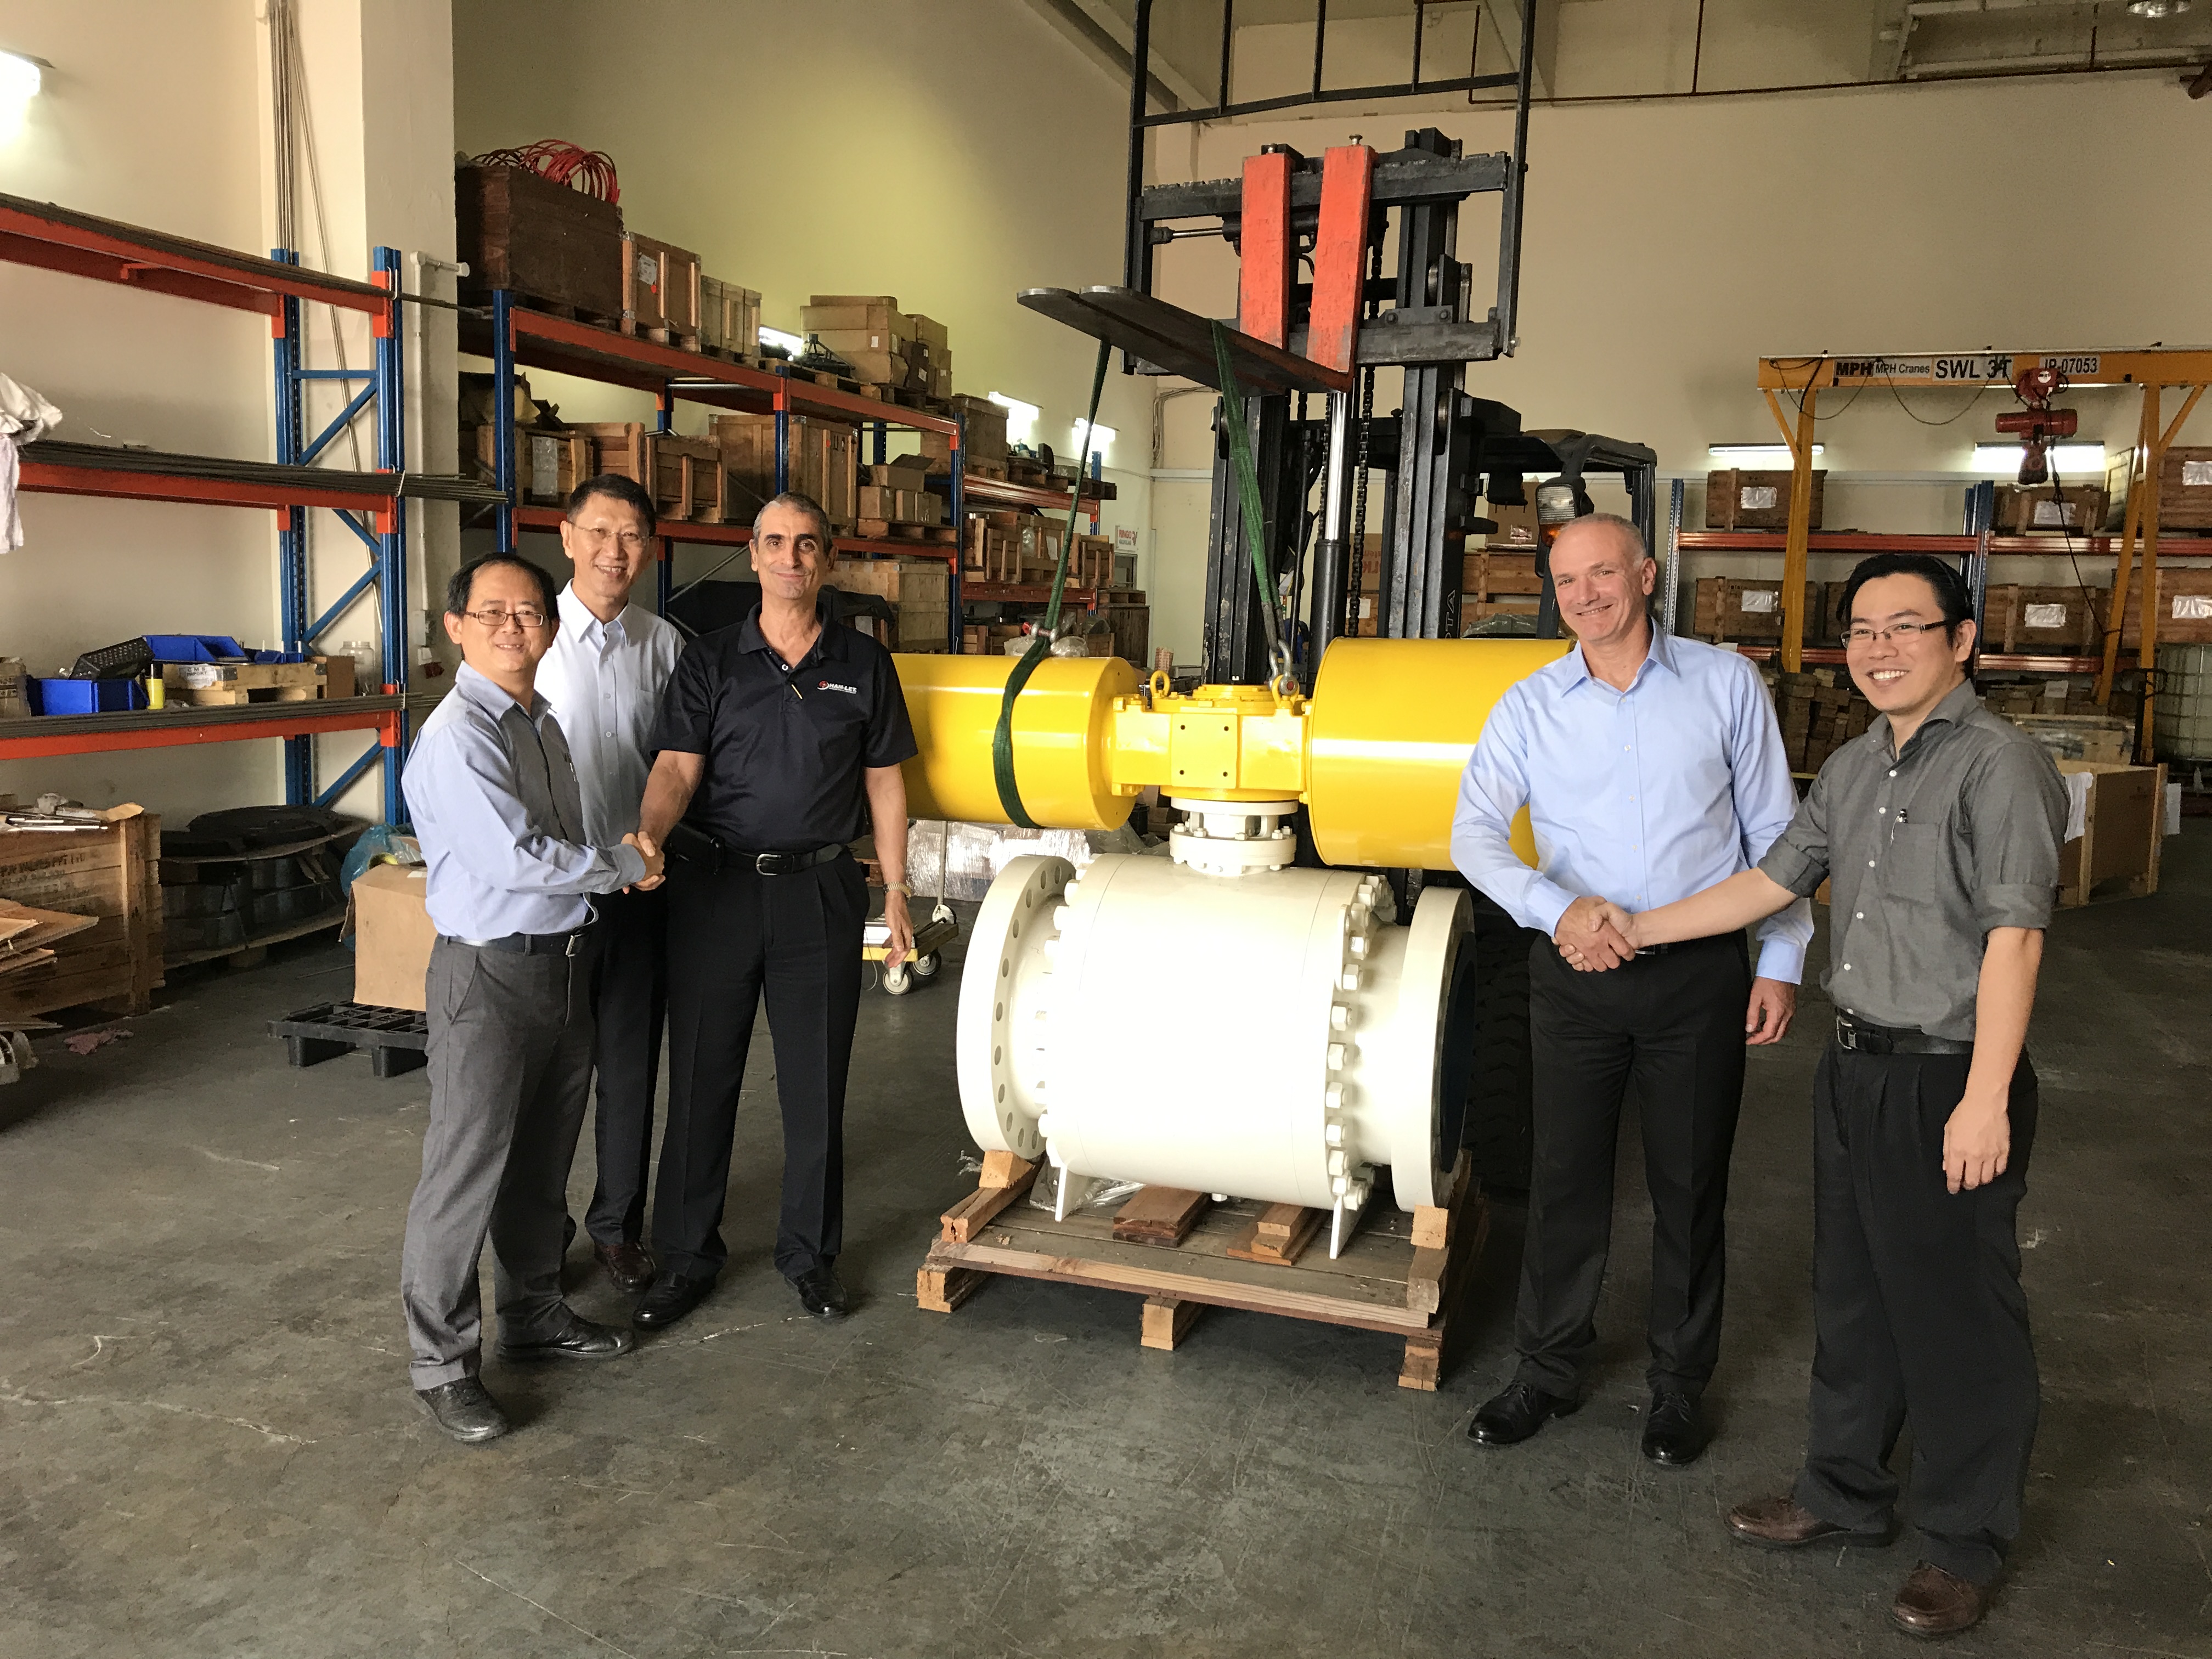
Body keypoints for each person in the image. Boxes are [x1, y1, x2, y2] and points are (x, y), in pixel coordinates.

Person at [1582, 552, 2063, 1640]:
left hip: (1947, 1073)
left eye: (1906, 626)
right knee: (1853, 1295)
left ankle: (1964, 1543)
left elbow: (2017, 939)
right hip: (1853, 1069)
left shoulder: (2000, 765)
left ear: (1962, 641)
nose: (1879, 649)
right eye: (1862, 631)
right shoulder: (1852, 767)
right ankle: (1845, 1492)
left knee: (1956, 1314)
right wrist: (1634, 926)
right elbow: (1770, 882)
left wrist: (1986, 1097)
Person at [1449, 512, 1812, 1465]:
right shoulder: (1529, 705)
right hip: (1576, 973)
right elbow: (1474, 834)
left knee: (1689, 1185)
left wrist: (1780, 959)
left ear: (1646, 575)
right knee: (1565, 1177)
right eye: (1567, 581)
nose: (1585, 596)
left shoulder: (1725, 684)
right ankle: (1547, 1370)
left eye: (1603, 574)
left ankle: (1679, 1386)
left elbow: (1779, 837)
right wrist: (1555, 909)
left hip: (1697, 974)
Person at [629, 491, 918, 1330]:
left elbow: (885, 781)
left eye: (808, 544)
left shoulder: (864, 663)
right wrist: (649, 839)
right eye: (776, 542)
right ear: (753, 555)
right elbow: (676, 768)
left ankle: (810, 1257)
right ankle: (686, 1258)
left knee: (815, 1082)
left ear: (829, 559)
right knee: (701, 1075)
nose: (792, 557)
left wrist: (897, 891)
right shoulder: (710, 659)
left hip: (819, 892)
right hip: (716, 889)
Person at [399, 552, 665, 1444]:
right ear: (457, 627)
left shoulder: (540, 721)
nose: (514, 628)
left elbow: (555, 840)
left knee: (541, 1161)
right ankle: (442, 1366)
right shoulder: (460, 736)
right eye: (493, 613)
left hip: (560, 963)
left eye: (530, 614)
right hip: (488, 976)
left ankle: (535, 1313)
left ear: (550, 627)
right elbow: (514, 859)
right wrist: (623, 864)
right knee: (465, 1170)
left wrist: (611, 868)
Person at [534, 474, 683, 1297]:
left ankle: (617, 1226)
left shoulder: (666, 647)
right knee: (550, 1074)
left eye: (630, 535)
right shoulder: (530, 638)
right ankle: (540, 1233)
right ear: (567, 537)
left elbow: (683, 765)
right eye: (598, 532)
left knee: (629, 1066)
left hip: (637, 893)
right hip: (552, 895)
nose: (613, 551)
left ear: (649, 549)